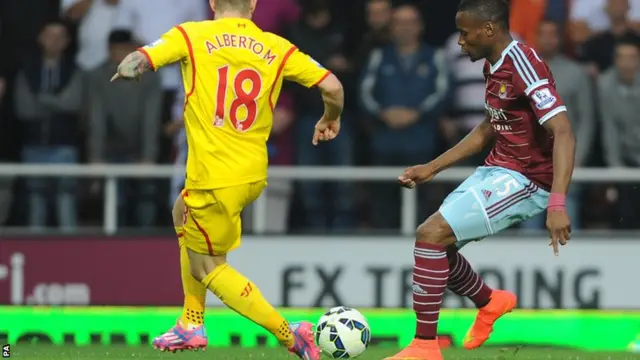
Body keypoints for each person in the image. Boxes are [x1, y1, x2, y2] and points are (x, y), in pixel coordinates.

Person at [109, 0, 344, 358]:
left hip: (214, 177)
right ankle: (190, 321)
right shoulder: (277, 46)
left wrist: (129, 68)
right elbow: (333, 86)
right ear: (252, 5)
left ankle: (291, 334)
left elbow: (135, 61)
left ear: (213, 3)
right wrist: (330, 117)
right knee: (181, 214)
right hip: (251, 173)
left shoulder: (190, 35)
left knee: (208, 268)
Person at [387, 0, 575, 359]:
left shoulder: (523, 65)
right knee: (436, 244)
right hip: (499, 167)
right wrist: (432, 167)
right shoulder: (495, 63)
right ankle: (489, 302)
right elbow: (489, 126)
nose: (459, 42)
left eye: (464, 32)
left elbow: (563, 131)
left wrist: (557, 201)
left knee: (430, 235)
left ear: (488, 30)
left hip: (528, 180)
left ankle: (425, 347)